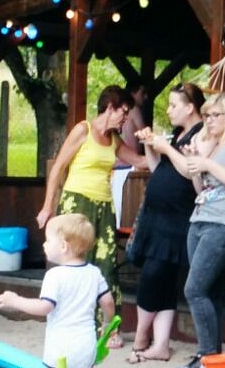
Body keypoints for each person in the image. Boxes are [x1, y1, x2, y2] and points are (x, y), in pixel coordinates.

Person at [145, 92, 225, 368]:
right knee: (209, 291)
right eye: (206, 115)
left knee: (193, 289)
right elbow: (200, 188)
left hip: (222, 224)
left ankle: (206, 355)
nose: (209, 120)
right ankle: (212, 357)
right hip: (198, 220)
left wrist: (207, 165)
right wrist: (195, 164)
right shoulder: (214, 146)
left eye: (215, 115)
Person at [37, 85, 147, 348]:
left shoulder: (114, 140)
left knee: (107, 265)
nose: (125, 118)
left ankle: (109, 328)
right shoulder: (82, 130)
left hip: (105, 206)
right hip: (77, 202)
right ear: (109, 107)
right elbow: (58, 167)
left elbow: (140, 161)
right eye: (123, 112)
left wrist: (161, 147)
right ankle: (69, 320)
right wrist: (47, 206)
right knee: (73, 262)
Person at [0, 213, 113, 368]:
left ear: (64, 246)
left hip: (59, 343)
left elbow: (44, 307)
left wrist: (16, 301)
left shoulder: (54, 275)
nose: (44, 245)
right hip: (85, 342)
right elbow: (107, 302)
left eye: (48, 240)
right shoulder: (94, 273)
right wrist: (108, 323)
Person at [124, 82, 206, 363]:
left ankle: (140, 337)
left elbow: (191, 171)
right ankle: (160, 345)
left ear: (190, 107)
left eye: (173, 105)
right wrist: (151, 146)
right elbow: (158, 168)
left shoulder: (201, 135)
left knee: (152, 276)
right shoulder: (178, 133)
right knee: (164, 282)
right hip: (157, 216)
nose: (168, 110)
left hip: (177, 217)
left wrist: (167, 149)